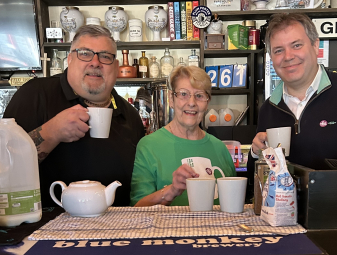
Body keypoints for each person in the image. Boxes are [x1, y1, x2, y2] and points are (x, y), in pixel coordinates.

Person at [3, 25, 144, 207]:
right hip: (46, 229)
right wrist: (51, 133)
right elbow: (4, 168)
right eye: (85, 53)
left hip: (116, 230)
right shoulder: (35, 94)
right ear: (69, 59)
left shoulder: (129, 114)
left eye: (105, 56)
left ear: (116, 67)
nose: (95, 62)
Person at [248, 13, 337, 195]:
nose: (288, 57)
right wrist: (255, 154)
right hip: (284, 219)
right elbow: (256, 183)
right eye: (278, 50)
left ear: (315, 45)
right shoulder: (268, 109)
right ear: (271, 58)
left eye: (296, 45)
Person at [130, 65, 236, 207]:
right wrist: (172, 190)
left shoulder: (220, 148)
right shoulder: (149, 146)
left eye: (199, 95)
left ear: (207, 102)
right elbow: (137, 209)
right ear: (171, 99)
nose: (191, 103)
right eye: (183, 94)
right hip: (166, 229)